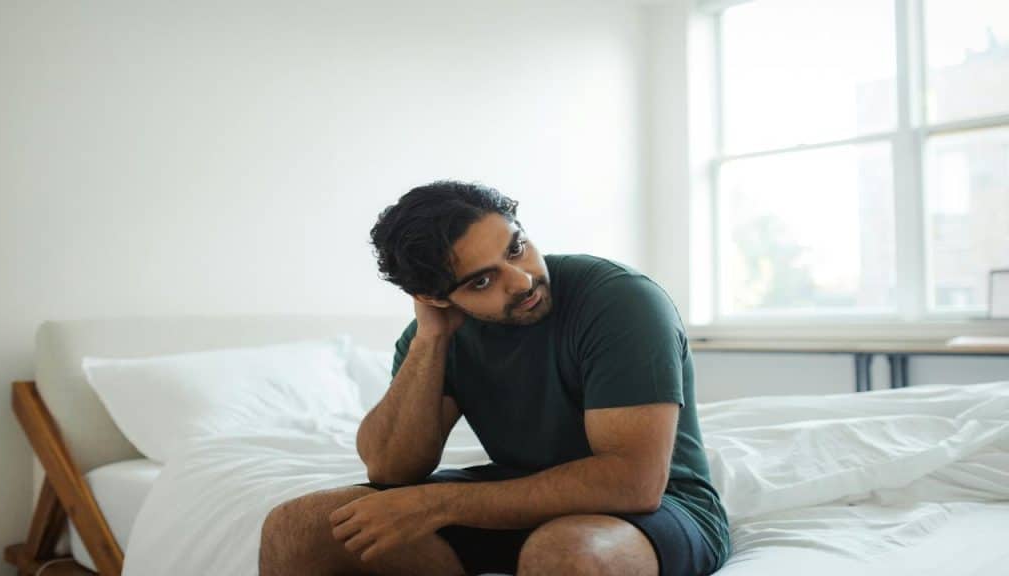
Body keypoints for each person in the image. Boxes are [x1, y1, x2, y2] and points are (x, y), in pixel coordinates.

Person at [259, 181, 730, 576]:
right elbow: (391, 469)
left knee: (568, 552)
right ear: (436, 298)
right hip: (516, 497)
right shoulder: (437, 333)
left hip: (660, 508)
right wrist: (430, 338)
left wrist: (436, 505)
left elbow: (634, 483)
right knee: (298, 526)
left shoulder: (620, 301)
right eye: (481, 282)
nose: (521, 280)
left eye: (516, 248)